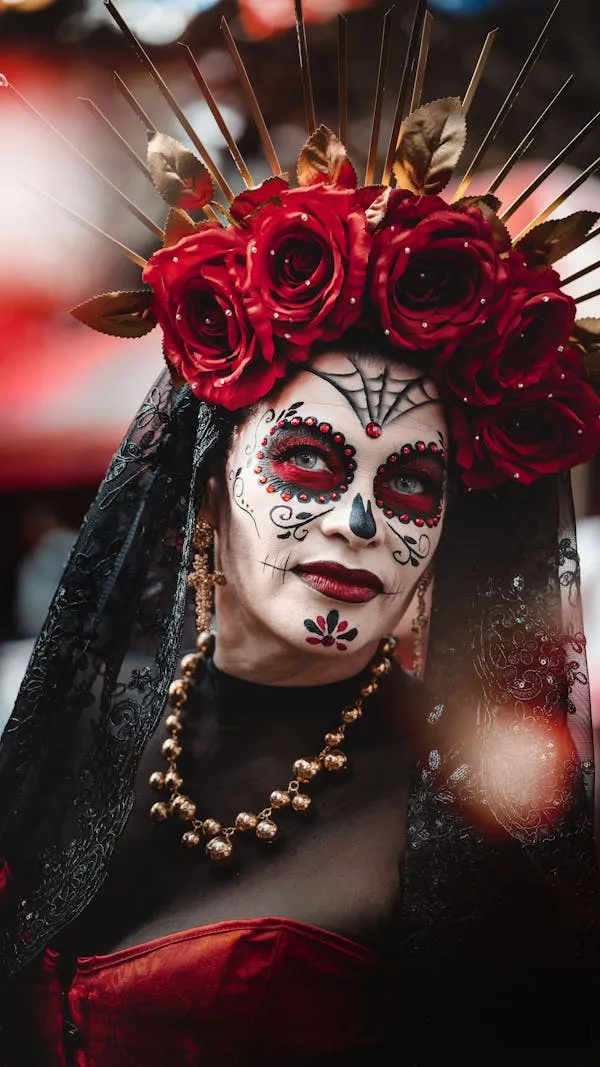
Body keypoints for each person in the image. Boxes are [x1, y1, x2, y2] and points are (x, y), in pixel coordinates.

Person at [1, 3, 600, 1063]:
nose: (359, 520)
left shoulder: (463, 831)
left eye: (413, 484)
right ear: (207, 475)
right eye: (310, 461)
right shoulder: (72, 734)